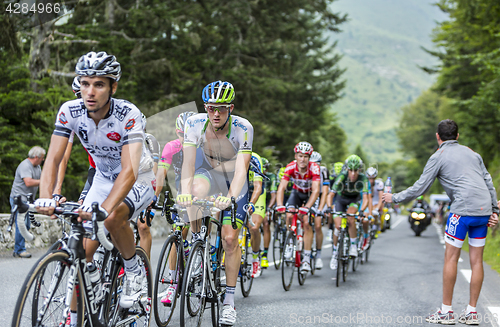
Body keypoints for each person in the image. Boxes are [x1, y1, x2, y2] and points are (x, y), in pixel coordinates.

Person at [35, 52, 155, 317]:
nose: (89, 91)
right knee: (82, 249)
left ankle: (134, 272)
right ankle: (82, 302)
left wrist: (103, 208)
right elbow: (53, 159)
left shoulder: (128, 114)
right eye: (84, 83)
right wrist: (46, 197)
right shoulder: (70, 110)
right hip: (102, 177)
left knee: (112, 218)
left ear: (113, 87)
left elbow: (129, 171)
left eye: (98, 84)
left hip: (140, 176)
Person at [382, 119, 499, 325]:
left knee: (451, 258)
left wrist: (395, 198)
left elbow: (420, 187)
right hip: (482, 211)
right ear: (457, 136)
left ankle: (446, 312)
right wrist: (494, 210)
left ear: (438, 137)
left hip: (461, 212)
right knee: (477, 261)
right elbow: (488, 181)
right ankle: (471, 312)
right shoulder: (474, 154)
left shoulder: (438, 156)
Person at [176, 80, 253, 326]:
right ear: (205, 108)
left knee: (230, 239)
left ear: (231, 108)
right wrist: (185, 192)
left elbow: (242, 170)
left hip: (234, 180)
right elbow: (189, 163)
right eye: (211, 108)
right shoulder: (194, 123)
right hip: (209, 173)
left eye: (221, 108)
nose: (216, 114)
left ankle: (229, 302)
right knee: (195, 191)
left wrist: (229, 198)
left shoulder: (243, 128)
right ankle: (199, 241)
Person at [155, 111, 196, 306]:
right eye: (182, 135)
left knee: (197, 226)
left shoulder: (203, 146)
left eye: (188, 135)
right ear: (177, 132)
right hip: (182, 187)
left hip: (201, 185)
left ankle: (200, 253)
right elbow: (161, 173)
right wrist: (153, 197)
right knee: (177, 235)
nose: (184, 139)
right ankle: (172, 283)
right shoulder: (172, 147)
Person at [276, 141, 321, 274]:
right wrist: (279, 205)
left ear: (309, 158)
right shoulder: (290, 167)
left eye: (306, 156)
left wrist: (307, 207)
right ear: (296, 156)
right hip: (297, 193)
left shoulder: (314, 168)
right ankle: (290, 243)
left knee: (306, 222)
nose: (303, 159)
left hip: (310, 195)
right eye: (300, 156)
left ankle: (306, 259)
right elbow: (282, 188)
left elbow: (316, 191)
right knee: (289, 214)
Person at [327, 154, 372, 270]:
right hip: (340, 200)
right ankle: (335, 254)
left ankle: (353, 245)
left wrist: (362, 210)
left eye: (355, 170)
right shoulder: (342, 176)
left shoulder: (363, 178)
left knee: (351, 218)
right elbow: (331, 194)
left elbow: (366, 198)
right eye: (350, 170)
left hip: (354, 200)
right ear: (346, 169)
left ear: (360, 170)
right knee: (337, 226)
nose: (353, 174)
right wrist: (328, 206)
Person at [9, 146, 45, 258]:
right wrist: (44, 181)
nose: (43, 160)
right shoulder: (25, 165)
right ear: (36, 157)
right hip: (19, 200)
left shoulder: (37, 167)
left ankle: (19, 248)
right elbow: (28, 182)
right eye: (42, 158)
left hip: (28, 201)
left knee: (27, 225)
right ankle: (19, 250)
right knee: (22, 224)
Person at [309, 151, 330, 269]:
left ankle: (318, 255)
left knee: (317, 226)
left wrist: (321, 208)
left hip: (320, 196)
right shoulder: (305, 170)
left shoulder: (323, 171)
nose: (314, 166)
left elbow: (325, 192)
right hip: (308, 195)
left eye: (317, 163)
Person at [248, 152, 266, 278]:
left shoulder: (254, 158)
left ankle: (255, 259)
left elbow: (258, 187)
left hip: (256, 193)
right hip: (240, 191)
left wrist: (252, 204)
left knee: (254, 227)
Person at [260, 157, 276, 268]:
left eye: (265, 168)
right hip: (255, 200)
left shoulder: (271, 177)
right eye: (262, 167)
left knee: (266, 224)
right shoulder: (252, 176)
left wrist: (269, 208)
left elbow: (274, 195)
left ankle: (265, 254)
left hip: (267, 201)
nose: (263, 170)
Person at [366, 167, 384, 237]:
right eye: (369, 178)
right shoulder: (365, 183)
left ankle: (376, 226)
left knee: (375, 213)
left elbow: (381, 198)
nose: (371, 180)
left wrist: (377, 208)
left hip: (376, 202)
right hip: (368, 202)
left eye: (373, 178)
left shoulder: (379, 183)